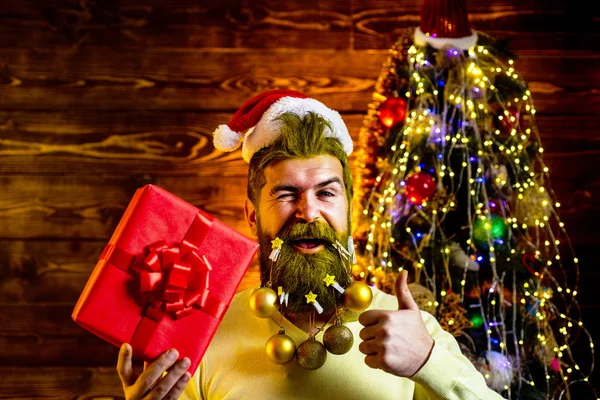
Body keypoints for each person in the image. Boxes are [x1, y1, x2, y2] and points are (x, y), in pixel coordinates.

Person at [116, 90, 506, 399]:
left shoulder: (413, 331)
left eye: (327, 193)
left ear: (350, 211)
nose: (308, 212)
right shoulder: (202, 336)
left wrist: (428, 361)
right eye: (286, 194)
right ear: (252, 215)